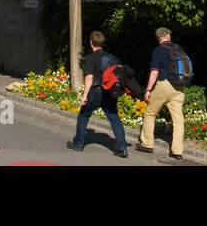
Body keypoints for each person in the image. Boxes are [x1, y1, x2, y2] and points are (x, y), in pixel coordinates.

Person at [66, 31, 127, 157]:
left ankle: (78, 143)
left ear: (90, 43)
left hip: (96, 91)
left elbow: (89, 77)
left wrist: (84, 96)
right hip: (110, 91)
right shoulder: (111, 57)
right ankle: (122, 148)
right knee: (114, 117)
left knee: (83, 115)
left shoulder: (91, 58)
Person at [138, 27, 186, 160]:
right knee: (178, 119)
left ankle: (147, 144)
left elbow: (154, 72)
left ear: (159, 37)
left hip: (164, 84)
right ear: (167, 36)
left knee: (150, 113)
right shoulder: (179, 48)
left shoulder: (158, 50)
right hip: (179, 87)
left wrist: (148, 90)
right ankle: (177, 151)